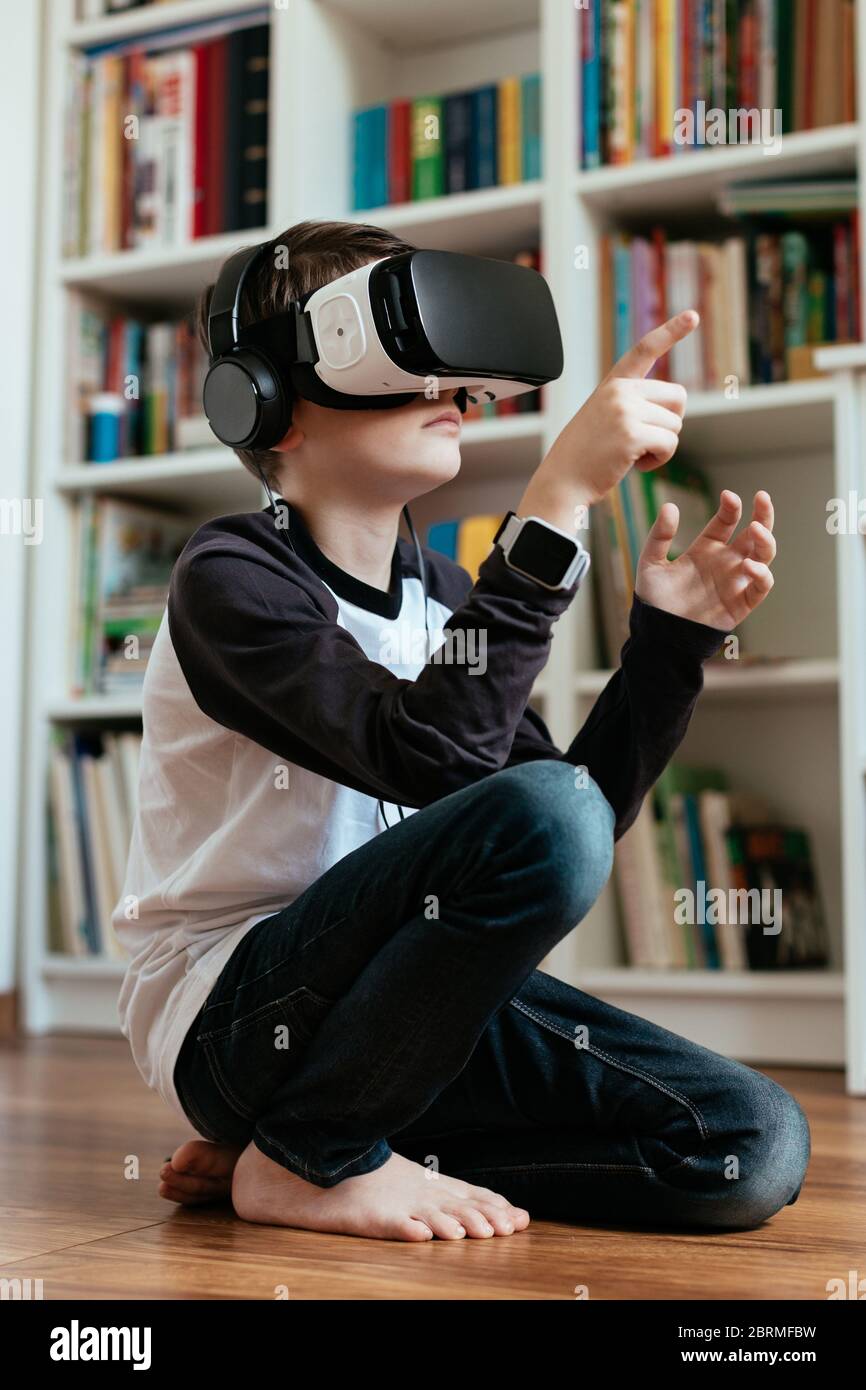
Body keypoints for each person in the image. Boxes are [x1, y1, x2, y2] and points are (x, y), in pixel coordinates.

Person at [114, 219, 809, 1242]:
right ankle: (311, 1153)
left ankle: (299, 1147)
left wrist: (669, 645)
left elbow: (570, 821)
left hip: (401, 1017)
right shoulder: (230, 575)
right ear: (266, 401)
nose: (450, 390)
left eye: (446, 365)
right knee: (538, 811)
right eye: (398, 358)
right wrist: (555, 501)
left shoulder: (443, 597)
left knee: (748, 1143)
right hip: (232, 1012)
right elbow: (426, 758)